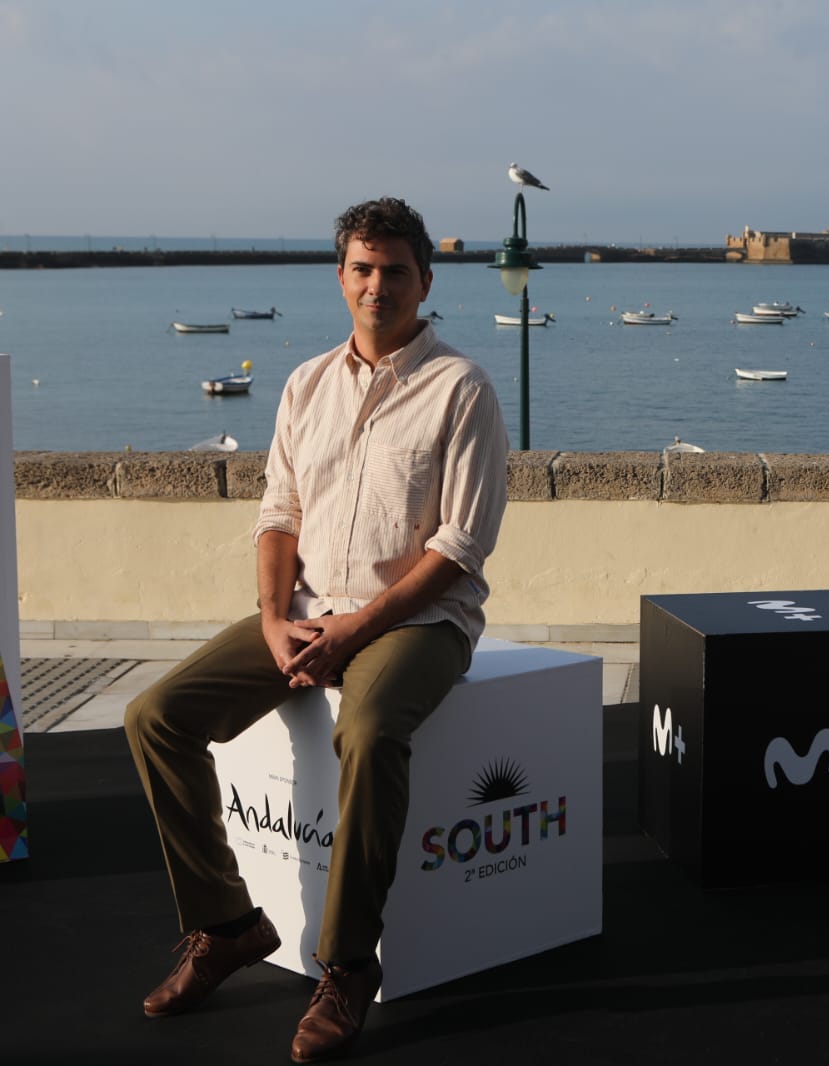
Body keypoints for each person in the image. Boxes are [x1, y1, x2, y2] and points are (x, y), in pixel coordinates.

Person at [125, 197, 508, 1063]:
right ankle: (226, 926)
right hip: (301, 616)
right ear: (341, 278)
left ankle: (344, 966)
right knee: (155, 717)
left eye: (395, 271)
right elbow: (278, 514)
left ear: (424, 282)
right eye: (362, 270)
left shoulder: (462, 388)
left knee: (368, 731)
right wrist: (273, 621)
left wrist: (351, 632)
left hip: (420, 620)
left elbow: (458, 546)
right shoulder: (303, 384)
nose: (378, 286)